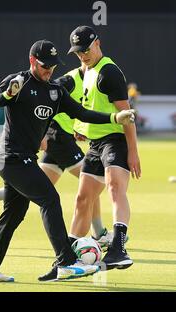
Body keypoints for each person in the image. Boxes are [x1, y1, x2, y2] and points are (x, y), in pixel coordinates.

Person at [0, 39, 136, 282]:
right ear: (32, 61)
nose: (49, 70)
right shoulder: (17, 81)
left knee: (14, 213)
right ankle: (66, 262)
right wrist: (7, 94)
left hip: (26, 158)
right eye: (44, 65)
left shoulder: (55, 91)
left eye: (53, 66)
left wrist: (115, 117)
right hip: (11, 159)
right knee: (50, 199)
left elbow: (82, 113)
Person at [0, 63, 116, 250]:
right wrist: (45, 133)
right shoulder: (68, 81)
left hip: (63, 137)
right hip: (57, 137)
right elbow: (43, 101)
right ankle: (97, 235)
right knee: (89, 179)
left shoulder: (91, 81)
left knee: (31, 190)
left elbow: (79, 113)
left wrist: (83, 127)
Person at [68, 25, 141, 270]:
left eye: (86, 50)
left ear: (97, 43)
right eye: (78, 52)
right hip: (95, 143)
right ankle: (68, 255)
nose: (83, 55)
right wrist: (81, 127)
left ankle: (119, 249)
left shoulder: (108, 72)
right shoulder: (87, 70)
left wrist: (133, 151)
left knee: (114, 187)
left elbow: (126, 114)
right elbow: (89, 105)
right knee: (82, 199)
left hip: (115, 140)